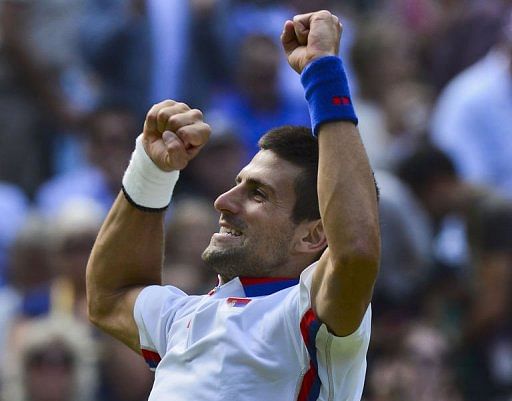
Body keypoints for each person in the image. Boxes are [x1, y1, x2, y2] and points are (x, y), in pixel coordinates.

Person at [86, 10, 380, 401]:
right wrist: (152, 170)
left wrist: (323, 71)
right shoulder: (181, 318)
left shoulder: (307, 314)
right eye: (237, 184)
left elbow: (356, 251)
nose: (223, 201)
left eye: (258, 194)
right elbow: (109, 296)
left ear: (313, 234)